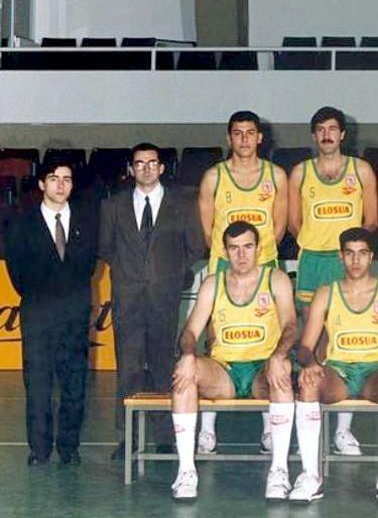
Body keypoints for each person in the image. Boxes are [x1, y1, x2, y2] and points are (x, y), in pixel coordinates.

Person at [168, 221, 298, 500]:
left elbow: (290, 326)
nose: (241, 255)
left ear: (258, 249)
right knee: (185, 374)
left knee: (283, 371)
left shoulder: (276, 279)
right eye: (234, 249)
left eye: (247, 247)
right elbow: (190, 331)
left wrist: (278, 356)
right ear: (225, 252)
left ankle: (279, 470)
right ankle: (186, 471)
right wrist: (188, 355)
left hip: (263, 369)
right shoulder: (213, 283)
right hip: (224, 371)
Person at [99, 143, 204, 459]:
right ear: (131, 169)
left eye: (151, 163)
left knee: (162, 365)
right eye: (139, 163)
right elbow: (106, 248)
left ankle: (163, 436)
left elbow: (195, 247)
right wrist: (132, 273)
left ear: (161, 168)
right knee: (128, 365)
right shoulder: (113, 206)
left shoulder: (182, 204)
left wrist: (170, 272)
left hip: (165, 295)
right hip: (127, 296)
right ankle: (128, 437)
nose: (145, 168)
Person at [288, 227, 378, 502]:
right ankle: (310, 475)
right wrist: (309, 364)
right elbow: (306, 347)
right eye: (350, 254)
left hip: (376, 372)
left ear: (372, 258)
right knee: (308, 383)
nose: (356, 261)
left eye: (362, 254)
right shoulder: (325, 293)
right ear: (340, 257)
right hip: (339, 372)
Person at [288, 106, 378, 457]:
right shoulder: (301, 173)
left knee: (344, 344)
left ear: (343, 134)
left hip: (348, 261)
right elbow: (294, 225)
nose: (326, 134)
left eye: (332, 129)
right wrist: (320, 242)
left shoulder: (362, 171)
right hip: (313, 261)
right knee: (313, 340)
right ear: (314, 135)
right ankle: (312, 419)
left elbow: (370, 221)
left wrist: (347, 253)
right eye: (320, 129)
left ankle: (343, 429)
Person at [196, 110, 288, 454]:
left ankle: (269, 428)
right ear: (229, 138)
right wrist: (233, 258)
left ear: (260, 137)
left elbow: (278, 229)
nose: (245, 139)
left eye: (251, 133)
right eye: (238, 133)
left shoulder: (276, 175)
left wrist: (258, 262)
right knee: (216, 341)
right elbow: (209, 231)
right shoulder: (214, 178)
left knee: (269, 341)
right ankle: (207, 428)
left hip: (263, 265)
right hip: (225, 263)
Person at [5, 158, 98, 466]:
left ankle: (69, 448)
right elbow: (17, 270)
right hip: (38, 315)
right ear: (42, 184)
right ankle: (40, 450)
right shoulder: (22, 222)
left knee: (74, 386)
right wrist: (41, 298)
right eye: (54, 178)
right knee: (39, 386)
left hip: (75, 315)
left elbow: (87, 267)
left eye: (67, 178)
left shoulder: (86, 220)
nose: (61, 184)